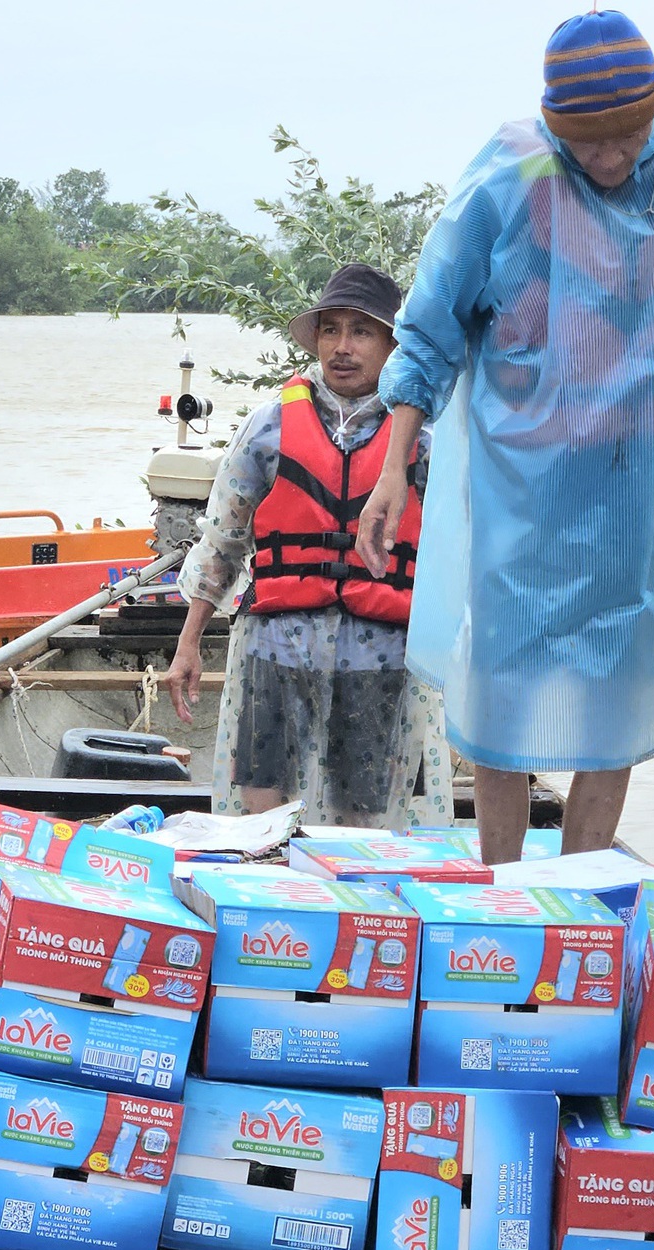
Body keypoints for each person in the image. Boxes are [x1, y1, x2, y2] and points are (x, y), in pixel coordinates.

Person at [358, 10, 654, 865]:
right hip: (517, 487)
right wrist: (390, 470)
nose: (607, 159)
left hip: (644, 489)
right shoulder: (510, 178)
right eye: (587, 143)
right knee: (499, 683)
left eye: (625, 138)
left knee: (620, 689)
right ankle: (498, 879)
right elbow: (429, 332)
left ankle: (583, 881)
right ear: (556, 126)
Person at [165, 263, 452, 830]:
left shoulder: (421, 440)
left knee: (361, 821)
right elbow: (222, 543)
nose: (342, 348)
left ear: (392, 346)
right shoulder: (268, 428)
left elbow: (456, 560)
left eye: (362, 331)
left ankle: (355, 915)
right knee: (260, 811)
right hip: (276, 651)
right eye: (330, 330)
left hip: (382, 657)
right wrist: (188, 644)